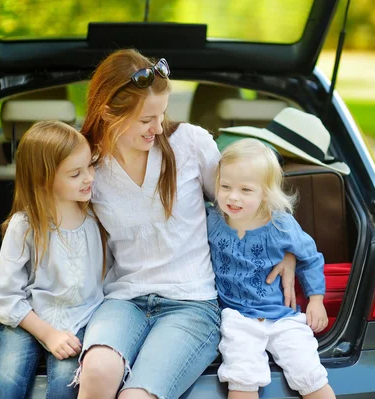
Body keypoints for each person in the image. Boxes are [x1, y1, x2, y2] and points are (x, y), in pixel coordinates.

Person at [76, 49, 296, 399]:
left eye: (162, 114)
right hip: (124, 299)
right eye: (147, 119)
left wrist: (284, 248)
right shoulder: (88, 164)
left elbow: (242, 203)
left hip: (192, 303)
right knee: (98, 372)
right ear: (107, 113)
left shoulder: (190, 144)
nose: (159, 127)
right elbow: (57, 225)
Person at [207, 138, 336, 399]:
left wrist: (316, 300)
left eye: (246, 190)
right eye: (225, 186)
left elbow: (310, 258)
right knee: (241, 378)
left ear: (265, 193)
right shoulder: (211, 221)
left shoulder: (281, 226)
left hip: (283, 317)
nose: (233, 196)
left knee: (309, 373)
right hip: (238, 317)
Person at [0, 121, 108, 399]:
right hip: (28, 319)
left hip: (79, 320)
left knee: (65, 387)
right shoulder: (25, 225)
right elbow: (6, 298)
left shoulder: (96, 220)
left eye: (90, 166)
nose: (89, 178)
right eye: (75, 173)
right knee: (8, 384)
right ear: (44, 178)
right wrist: (48, 334)